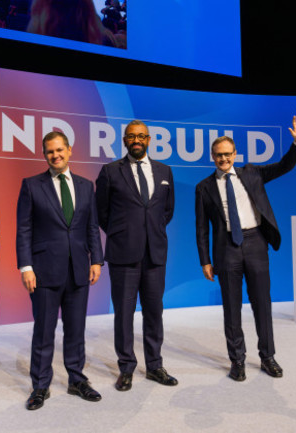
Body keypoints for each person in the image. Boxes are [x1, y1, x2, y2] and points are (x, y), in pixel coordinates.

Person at [195, 113, 296, 382]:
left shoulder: (253, 173)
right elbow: (201, 228)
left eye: (227, 154)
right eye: (218, 155)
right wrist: (205, 260)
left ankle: (267, 357)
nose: (223, 159)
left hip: (256, 243)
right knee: (231, 308)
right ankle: (237, 361)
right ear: (213, 157)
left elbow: (284, 166)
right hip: (226, 249)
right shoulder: (204, 188)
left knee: (262, 304)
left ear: (235, 153)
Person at [16, 131, 104, 410]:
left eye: (59, 150)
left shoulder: (85, 185)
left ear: (69, 150)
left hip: (79, 268)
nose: (55, 155)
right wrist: (26, 266)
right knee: (44, 330)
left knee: (76, 330)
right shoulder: (31, 185)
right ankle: (40, 385)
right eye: (49, 152)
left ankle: (77, 379)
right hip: (43, 271)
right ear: (45, 155)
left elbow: (91, 226)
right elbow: (24, 229)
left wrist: (96, 260)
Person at [95, 120, 177, 391]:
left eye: (142, 136)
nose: (137, 140)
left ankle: (155, 366)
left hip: (155, 255)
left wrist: (149, 232)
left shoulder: (164, 170)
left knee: (154, 312)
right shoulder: (109, 172)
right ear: (125, 140)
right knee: (124, 314)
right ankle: (126, 367)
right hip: (123, 256)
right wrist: (124, 234)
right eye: (132, 136)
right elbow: (102, 213)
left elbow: (167, 211)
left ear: (149, 139)